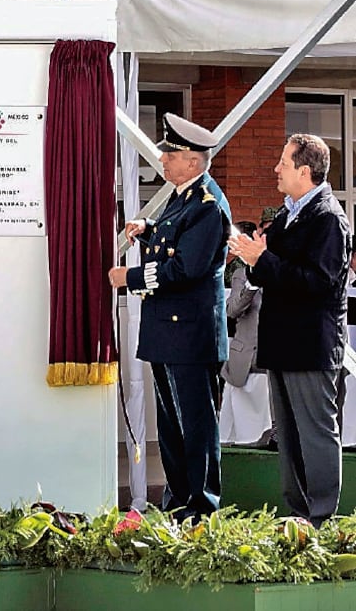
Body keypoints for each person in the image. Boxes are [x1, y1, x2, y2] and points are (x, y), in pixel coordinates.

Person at [108, 113, 232, 522]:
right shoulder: (183, 197)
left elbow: (186, 268)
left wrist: (130, 277)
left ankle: (202, 507)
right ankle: (179, 502)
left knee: (196, 426)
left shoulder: (208, 205)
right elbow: (169, 241)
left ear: (194, 161)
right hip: (168, 332)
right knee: (173, 426)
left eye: (171, 153)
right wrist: (147, 229)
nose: (162, 158)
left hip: (192, 334)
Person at [228, 133, 353, 528]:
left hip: (311, 346)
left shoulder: (329, 218)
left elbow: (318, 281)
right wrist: (251, 253)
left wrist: (261, 260)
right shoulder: (288, 214)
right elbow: (272, 260)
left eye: (283, 162)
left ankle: (320, 519)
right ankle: (298, 515)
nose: (275, 168)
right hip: (282, 344)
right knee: (288, 436)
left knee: (315, 434)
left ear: (305, 170)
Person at [219, 221, 271, 445]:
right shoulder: (241, 273)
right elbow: (232, 310)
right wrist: (252, 283)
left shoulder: (283, 272)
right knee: (235, 429)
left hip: (274, 357)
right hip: (245, 358)